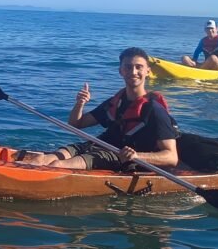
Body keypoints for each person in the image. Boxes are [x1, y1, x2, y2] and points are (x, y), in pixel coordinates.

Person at [12, 47, 179, 170]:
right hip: (97, 145)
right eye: (128, 67)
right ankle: (7, 170)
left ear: (148, 71)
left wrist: (136, 156)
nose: (133, 71)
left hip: (116, 155)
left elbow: (171, 157)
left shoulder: (155, 110)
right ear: (120, 71)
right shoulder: (115, 102)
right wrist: (80, 104)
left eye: (138, 67)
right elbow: (76, 124)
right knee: (44, 159)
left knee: (58, 165)